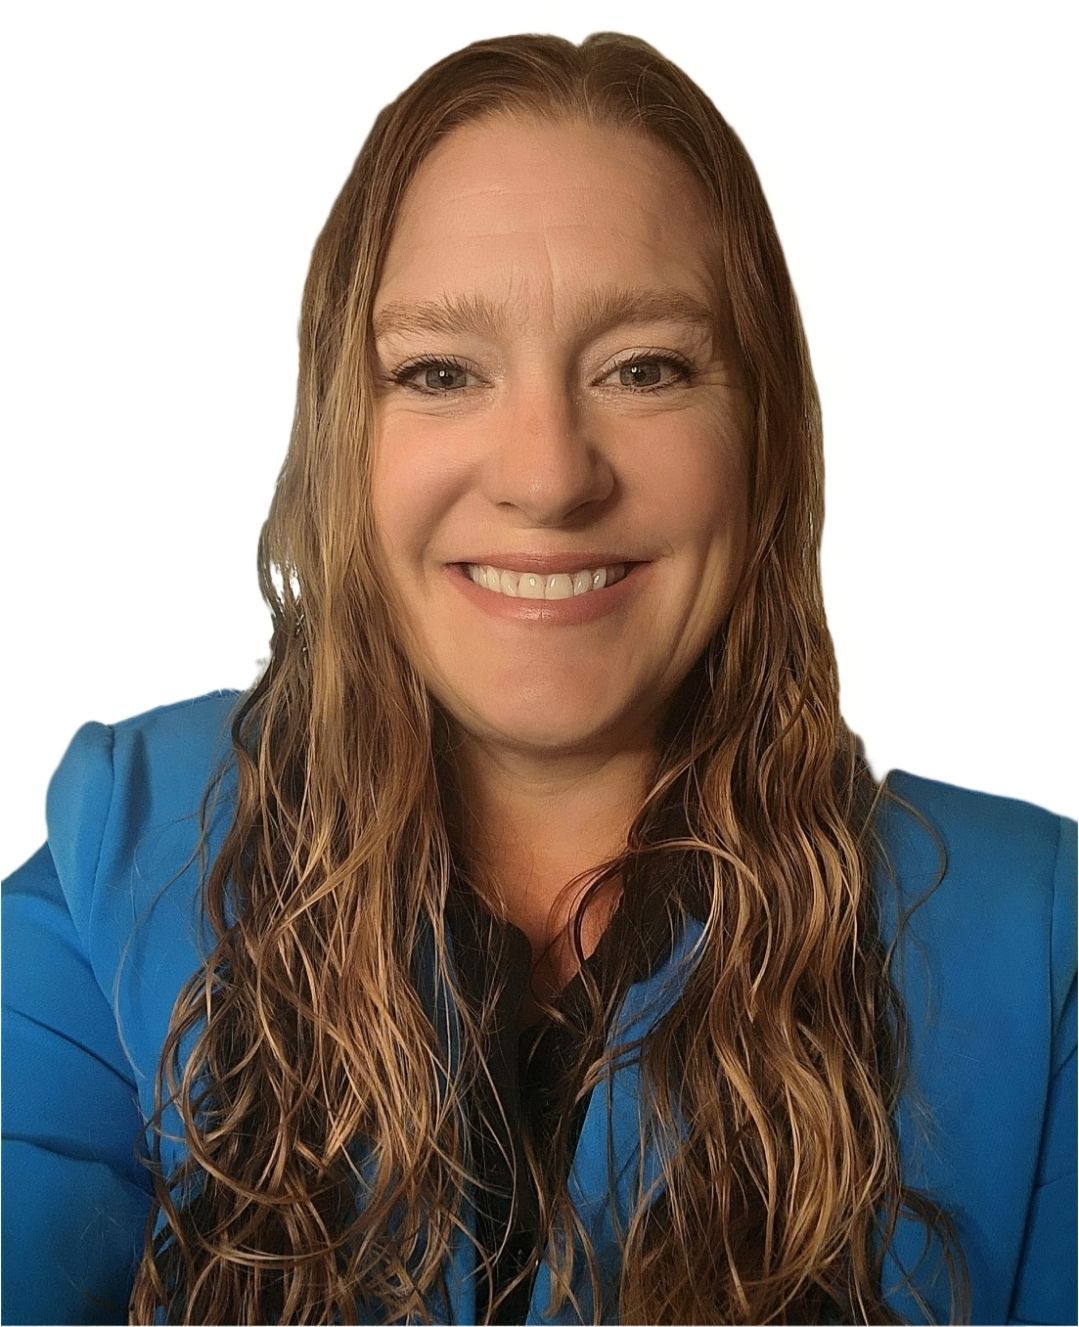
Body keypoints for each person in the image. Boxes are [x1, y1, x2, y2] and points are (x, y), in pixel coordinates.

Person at [2, 29, 1075, 1327]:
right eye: (442, 373)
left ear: (770, 438)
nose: (550, 475)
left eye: (647, 369)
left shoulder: (1043, 946)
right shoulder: (119, 863)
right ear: (346, 440)